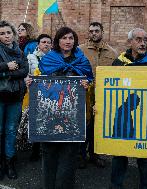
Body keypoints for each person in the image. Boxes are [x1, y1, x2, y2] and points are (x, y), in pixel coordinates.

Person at [32, 27, 93, 189]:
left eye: (71, 38)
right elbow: (38, 83)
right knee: (49, 154)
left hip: (73, 117)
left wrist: (88, 85)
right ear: (57, 41)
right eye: (64, 38)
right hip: (49, 115)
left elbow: (90, 81)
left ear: (75, 41)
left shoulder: (82, 60)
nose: (68, 41)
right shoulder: (47, 60)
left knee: (69, 156)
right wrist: (30, 82)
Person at [110, 28, 147, 189]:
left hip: (146, 117)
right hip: (122, 116)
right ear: (130, 42)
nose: (143, 43)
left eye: (145, 40)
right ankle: (116, 185)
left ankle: (145, 186)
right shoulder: (119, 63)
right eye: (138, 39)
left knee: (144, 157)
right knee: (119, 154)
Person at [79, 21, 118, 168]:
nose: (93, 33)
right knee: (84, 125)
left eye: (96, 31)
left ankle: (95, 154)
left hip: (103, 95)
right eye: (91, 31)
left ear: (102, 32)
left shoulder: (112, 53)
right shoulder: (80, 50)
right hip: (85, 94)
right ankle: (81, 155)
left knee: (98, 125)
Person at [0, 20, 29, 180]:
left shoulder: (19, 50)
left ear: (13, 34)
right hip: (0, 97)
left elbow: (25, 70)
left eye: (8, 32)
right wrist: (6, 67)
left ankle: (9, 162)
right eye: (2, 33)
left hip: (15, 97)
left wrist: (7, 74)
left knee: (11, 130)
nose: (6, 36)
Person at [22, 34, 52, 161]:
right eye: (43, 42)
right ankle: (34, 151)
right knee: (35, 122)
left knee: (48, 122)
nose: (45, 44)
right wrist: (27, 81)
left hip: (50, 95)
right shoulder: (30, 57)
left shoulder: (54, 58)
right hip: (34, 94)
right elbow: (26, 74)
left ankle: (46, 150)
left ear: (51, 45)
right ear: (38, 44)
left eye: (48, 42)